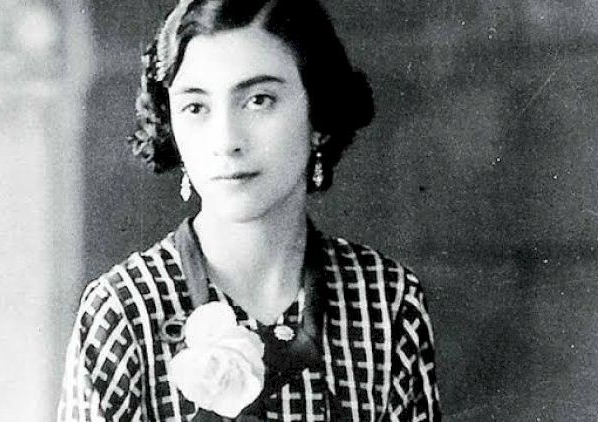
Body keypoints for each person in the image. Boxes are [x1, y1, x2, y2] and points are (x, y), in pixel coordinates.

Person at [58, 0, 441, 420]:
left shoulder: (386, 300)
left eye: (259, 100)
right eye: (196, 107)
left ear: (318, 115)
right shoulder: (123, 311)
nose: (226, 141)